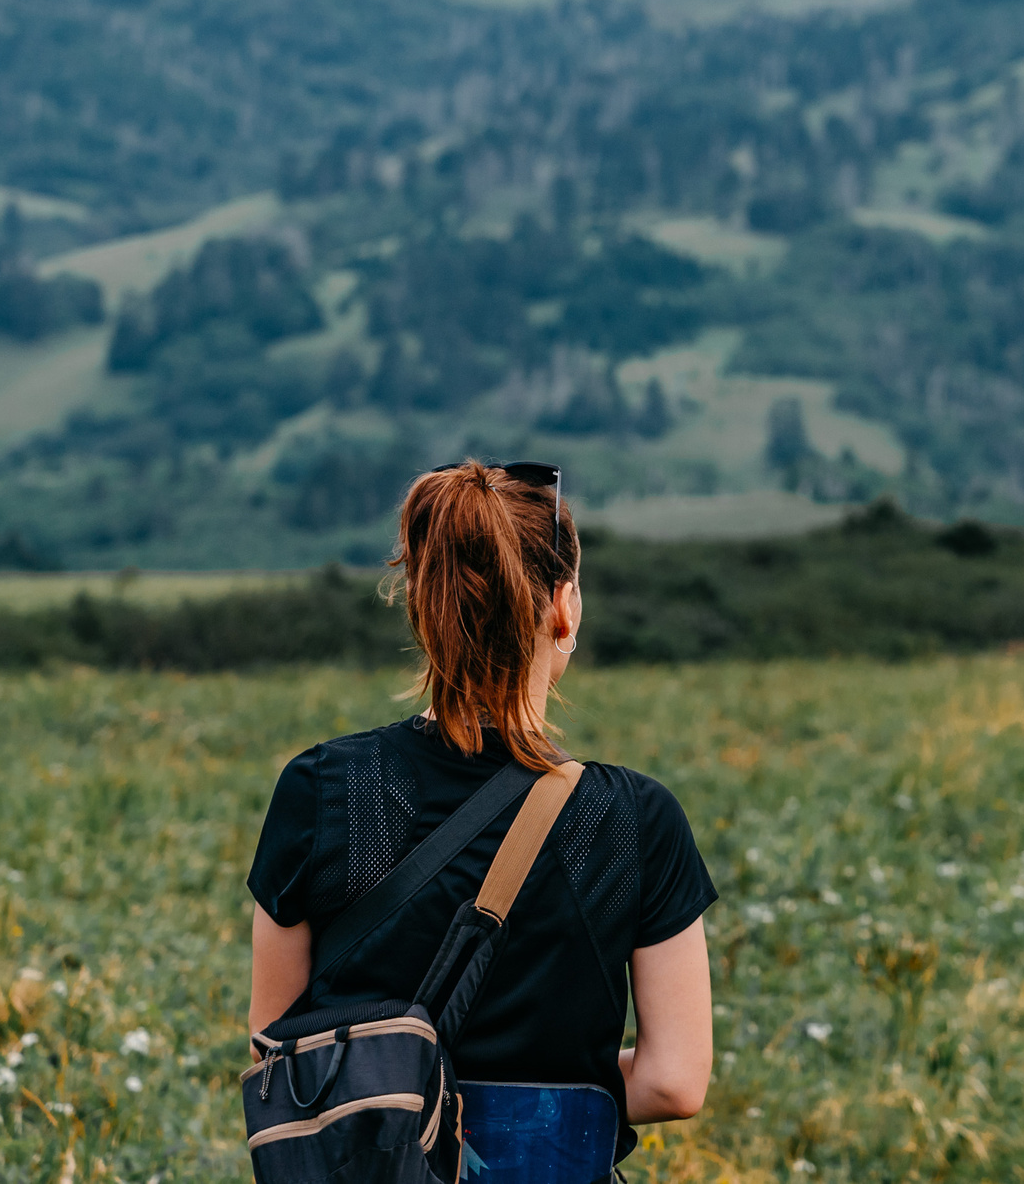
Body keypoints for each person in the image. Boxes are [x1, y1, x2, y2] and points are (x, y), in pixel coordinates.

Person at [246, 460, 717, 1179]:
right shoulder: (636, 818)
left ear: (421, 608)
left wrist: (409, 1089)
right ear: (565, 608)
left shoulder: (319, 788)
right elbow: (673, 1081)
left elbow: (277, 1051)